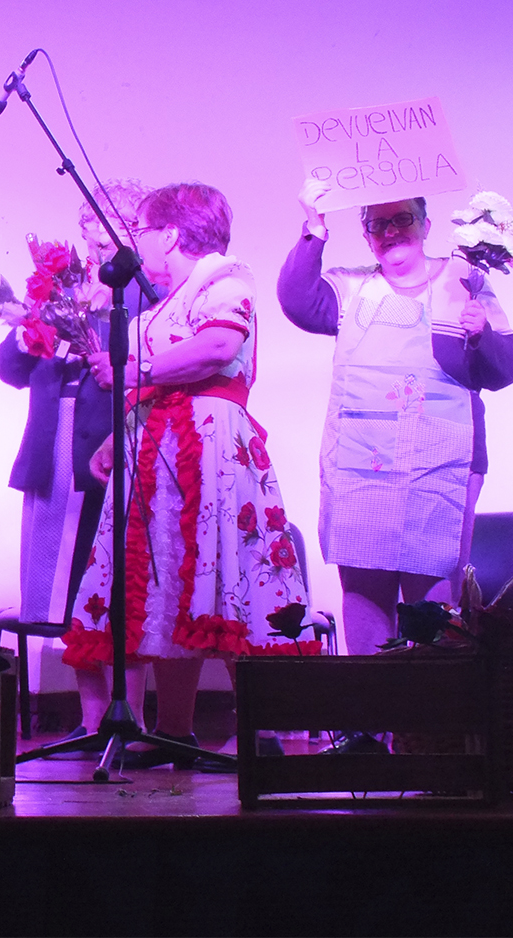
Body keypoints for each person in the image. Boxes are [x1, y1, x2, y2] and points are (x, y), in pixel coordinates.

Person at [63, 183, 315, 768]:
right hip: (164, 448)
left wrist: (132, 367)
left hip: (210, 449)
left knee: (229, 576)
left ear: (171, 234)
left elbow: (218, 346)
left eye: (144, 231)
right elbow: (162, 381)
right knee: (176, 584)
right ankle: (174, 731)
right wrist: (115, 433)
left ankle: (263, 729)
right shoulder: (171, 298)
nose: (138, 243)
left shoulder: (224, 278)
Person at [278, 182, 513, 669]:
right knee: (364, 591)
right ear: (366, 237)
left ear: (425, 225)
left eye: (401, 219)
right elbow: (299, 300)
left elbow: (502, 369)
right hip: (363, 462)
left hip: (444, 463)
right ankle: (371, 729)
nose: (389, 231)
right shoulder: (351, 286)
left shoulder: (464, 281)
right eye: (377, 224)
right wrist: (315, 228)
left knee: (432, 601)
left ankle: (429, 734)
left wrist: (481, 334)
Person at [0, 181, 152, 742]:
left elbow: (148, 366)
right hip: (51, 447)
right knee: (64, 591)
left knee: (111, 584)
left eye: (114, 217)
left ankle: (126, 721)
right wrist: (26, 327)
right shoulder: (58, 288)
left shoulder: (141, 294)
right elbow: (10, 371)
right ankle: (91, 723)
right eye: (91, 216)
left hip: (110, 445)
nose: (98, 226)